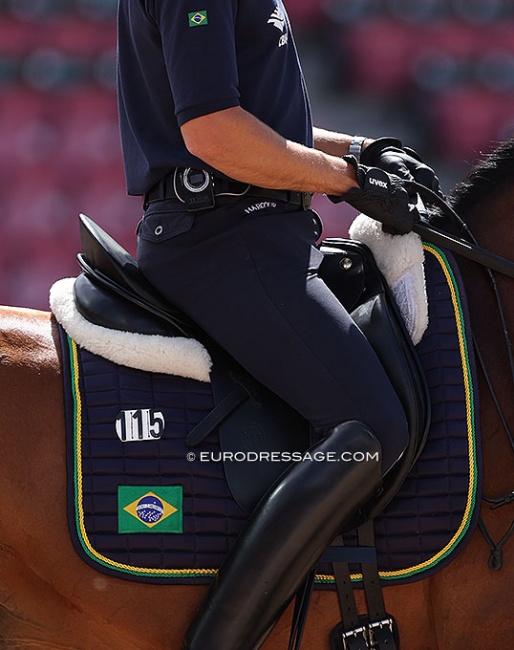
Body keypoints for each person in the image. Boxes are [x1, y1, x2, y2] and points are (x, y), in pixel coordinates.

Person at [116, 2, 441, 648]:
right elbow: (214, 132)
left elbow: (263, 125)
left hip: (266, 235)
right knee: (373, 424)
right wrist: (349, 181)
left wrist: (362, 150)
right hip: (224, 242)